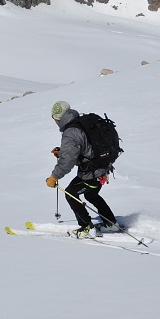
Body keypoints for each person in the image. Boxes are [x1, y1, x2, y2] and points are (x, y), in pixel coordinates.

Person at [45, 100, 118, 238]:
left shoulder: (70, 132)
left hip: (92, 172)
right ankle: (111, 223)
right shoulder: (81, 121)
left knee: (71, 194)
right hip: (103, 167)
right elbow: (85, 147)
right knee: (91, 195)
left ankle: (87, 227)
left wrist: (54, 177)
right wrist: (64, 152)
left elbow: (67, 162)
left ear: (58, 118)